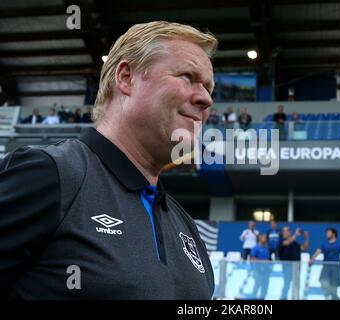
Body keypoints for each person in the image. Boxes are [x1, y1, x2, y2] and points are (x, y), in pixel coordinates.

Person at [0, 21, 217, 299]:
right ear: (126, 77)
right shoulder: (49, 176)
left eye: (209, 87)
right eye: (187, 76)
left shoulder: (185, 226)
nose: (206, 99)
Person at [309, 227, 340, 300]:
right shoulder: (324, 244)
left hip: (336, 267)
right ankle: (334, 295)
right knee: (323, 281)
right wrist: (312, 259)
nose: (327, 234)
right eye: (326, 233)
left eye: (328, 233)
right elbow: (318, 251)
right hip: (326, 267)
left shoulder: (339, 243)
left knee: (335, 284)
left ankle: (334, 296)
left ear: (333, 234)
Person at [278, 226, 309, 299]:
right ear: (282, 233)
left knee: (296, 284)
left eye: (289, 230)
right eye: (286, 230)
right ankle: (283, 297)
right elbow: (287, 242)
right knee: (287, 283)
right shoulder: (281, 240)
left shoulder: (294, 242)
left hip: (296, 266)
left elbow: (304, 248)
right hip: (287, 265)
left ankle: (296, 297)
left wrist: (306, 238)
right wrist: (296, 234)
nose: (288, 232)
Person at [249, 234, 272, 300]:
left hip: (266, 271)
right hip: (258, 271)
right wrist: (264, 261)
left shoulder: (266, 248)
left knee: (265, 288)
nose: (265, 238)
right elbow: (252, 258)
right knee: (257, 286)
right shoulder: (256, 247)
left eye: (265, 237)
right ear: (259, 238)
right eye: (264, 237)